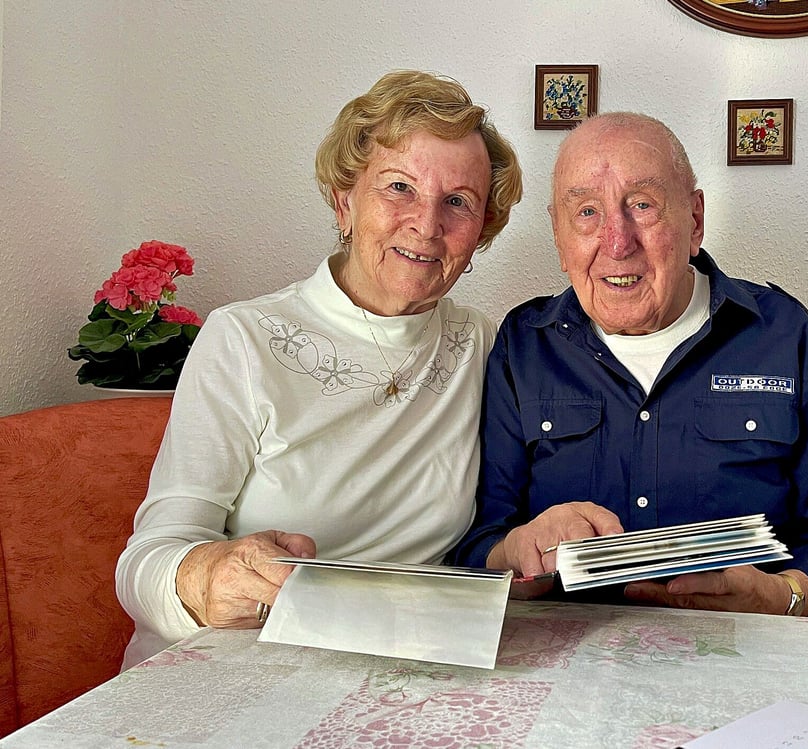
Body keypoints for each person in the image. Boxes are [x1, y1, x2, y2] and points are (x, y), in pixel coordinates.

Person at [116, 70, 523, 667]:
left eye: (458, 202)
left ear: (481, 230)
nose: (427, 224)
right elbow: (147, 558)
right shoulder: (245, 340)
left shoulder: (482, 346)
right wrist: (206, 577)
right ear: (344, 201)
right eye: (399, 188)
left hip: (397, 673)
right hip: (232, 666)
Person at [453, 112, 808, 619]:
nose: (617, 242)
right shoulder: (522, 346)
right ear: (558, 234)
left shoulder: (785, 335)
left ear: (695, 220)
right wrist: (518, 551)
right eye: (587, 212)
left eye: (642, 205)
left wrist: (780, 595)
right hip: (572, 663)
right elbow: (478, 544)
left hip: (750, 656)